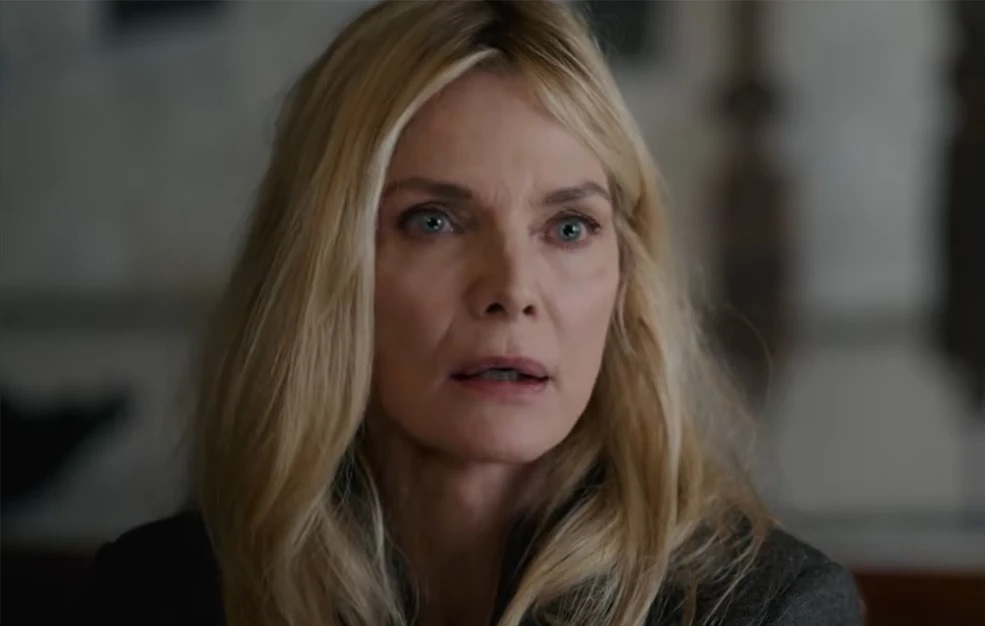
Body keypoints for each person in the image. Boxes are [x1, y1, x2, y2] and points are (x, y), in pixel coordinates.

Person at [85, 1, 862, 625]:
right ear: (323, 267)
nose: (512, 288)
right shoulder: (159, 593)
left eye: (568, 228)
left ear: (624, 277)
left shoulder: (763, 610)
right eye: (434, 221)